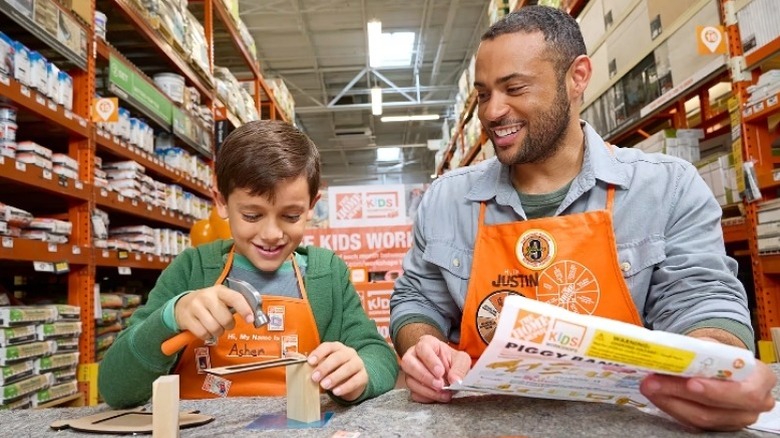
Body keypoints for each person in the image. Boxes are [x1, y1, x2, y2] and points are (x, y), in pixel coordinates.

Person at [389, 5, 775, 432]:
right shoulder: (446, 200)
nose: (492, 112)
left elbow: (702, 301)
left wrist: (712, 366)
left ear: (577, 77)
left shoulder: (667, 188)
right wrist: (424, 347)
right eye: (482, 94)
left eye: (514, 88)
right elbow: (416, 299)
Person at [99, 120, 398, 408]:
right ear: (221, 202)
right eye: (252, 216)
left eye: (291, 216)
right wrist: (170, 316)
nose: (271, 235)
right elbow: (115, 388)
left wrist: (361, 372)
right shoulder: (192, 269)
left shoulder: (327, 274)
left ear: (311, 207)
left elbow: (378, 355)